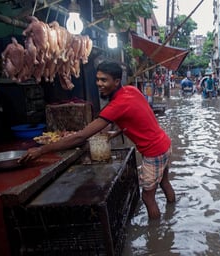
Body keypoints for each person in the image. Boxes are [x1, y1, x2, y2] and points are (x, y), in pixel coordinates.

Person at [19, 61, 175, 219]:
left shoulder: (117, 105)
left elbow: (81, 136)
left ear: (116, 81)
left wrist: (41, 150)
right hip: (164, 144)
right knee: (164, 182)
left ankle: (156, 233)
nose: (99, 84)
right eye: (98, 79)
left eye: (104, 80)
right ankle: (172, 214)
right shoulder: (131, 90)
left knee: (147, 197)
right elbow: (135, 119)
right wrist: (112, 134)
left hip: (154, 152)